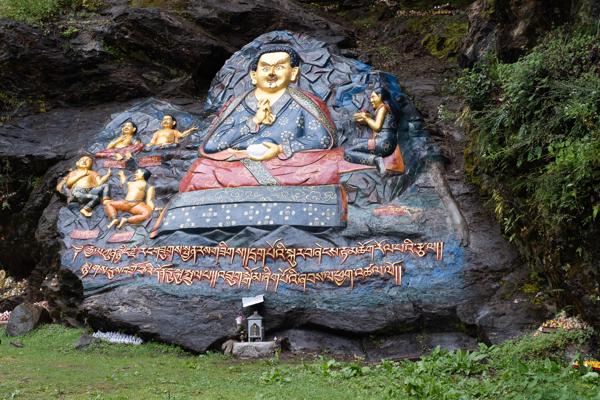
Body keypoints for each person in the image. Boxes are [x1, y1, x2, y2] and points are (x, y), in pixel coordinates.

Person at [180, 45, 339, 191]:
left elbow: (322, 139)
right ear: (254, 75)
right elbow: (212, 145)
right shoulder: (237, 104)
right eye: (265, 68)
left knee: (326, 168)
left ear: (293, 73)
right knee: (201, 170)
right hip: (238, 164)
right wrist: (253, 121)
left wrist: (280, 149)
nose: (271, 73)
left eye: (279, 67)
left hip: (288, 164)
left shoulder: (304, 102)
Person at [344, 88, 399, 175]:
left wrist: (366, 118)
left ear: (380, 96)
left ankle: (375, 160)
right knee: (354, 141)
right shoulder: (383, 109)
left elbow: (377, 127)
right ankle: (376, 159)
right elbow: (376, 121)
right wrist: (366, 117)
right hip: (386, 142)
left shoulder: (383, 108)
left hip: (383, 143)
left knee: (347, 153)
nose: (371, 100)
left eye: (373, 97)